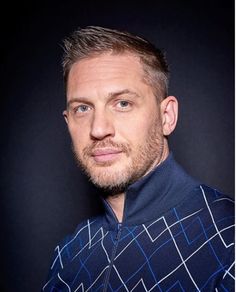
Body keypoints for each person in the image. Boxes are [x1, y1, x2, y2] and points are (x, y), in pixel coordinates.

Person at [42, 26, 234, 291]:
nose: (98, 129)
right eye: (83, 108)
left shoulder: (229, 238)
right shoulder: (69, 255)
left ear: (166, 116)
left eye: (122, 103)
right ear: (68, 121)